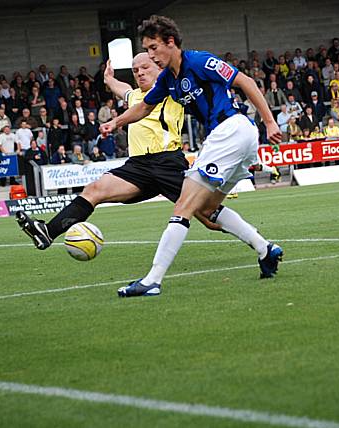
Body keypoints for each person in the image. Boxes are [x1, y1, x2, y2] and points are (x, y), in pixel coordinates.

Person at [17, 44, 282, 295]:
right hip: (138, 167)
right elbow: (123, 90)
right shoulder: (136, 96)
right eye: (135, 70)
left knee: (208, 217)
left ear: (159, 66)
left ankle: (263, 246)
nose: (141, 71)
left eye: (145, 66)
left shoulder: (172, 89)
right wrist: (109, 81)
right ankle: (47, 232)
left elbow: (216, 84)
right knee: (95, 189)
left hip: (169, 163)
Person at [100, 15, 283, 297]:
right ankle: (265, 249)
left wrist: (269, 121)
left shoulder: (198, 61)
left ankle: (152, 280)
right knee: (207, 210)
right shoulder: (167, 81)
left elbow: (245, 81)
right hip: (236, 139)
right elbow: (144, 108)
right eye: (147, 50)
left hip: (230, 131)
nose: (151, 56)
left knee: (183, 206)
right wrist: (117, 122)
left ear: (170, 42)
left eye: (153, 48)